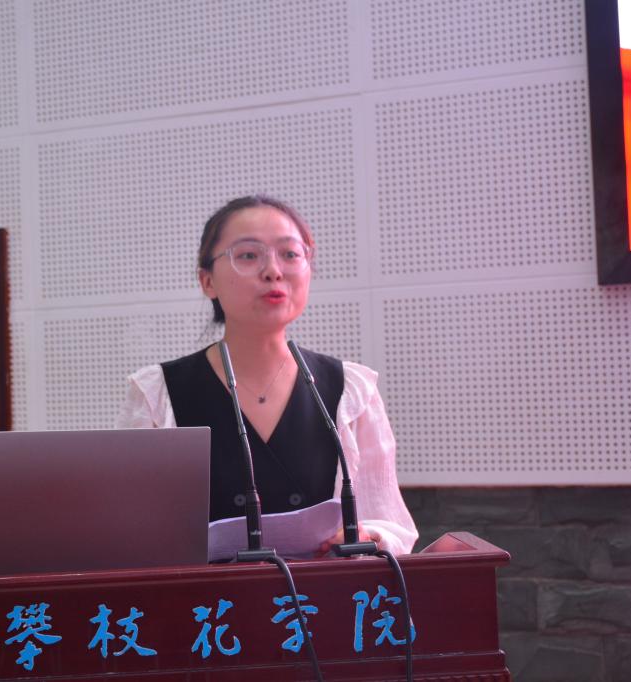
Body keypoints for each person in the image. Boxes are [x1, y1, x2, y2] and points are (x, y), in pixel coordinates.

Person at [116, 195, 417, 556]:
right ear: (207, 280)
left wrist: (372, 537)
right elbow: (129, 530)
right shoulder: (158, 393)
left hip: (319, 591)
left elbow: (388, 519)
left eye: (290, 254)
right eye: (248, 255)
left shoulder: (350, 390)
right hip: (205, 593)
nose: (273, 270)